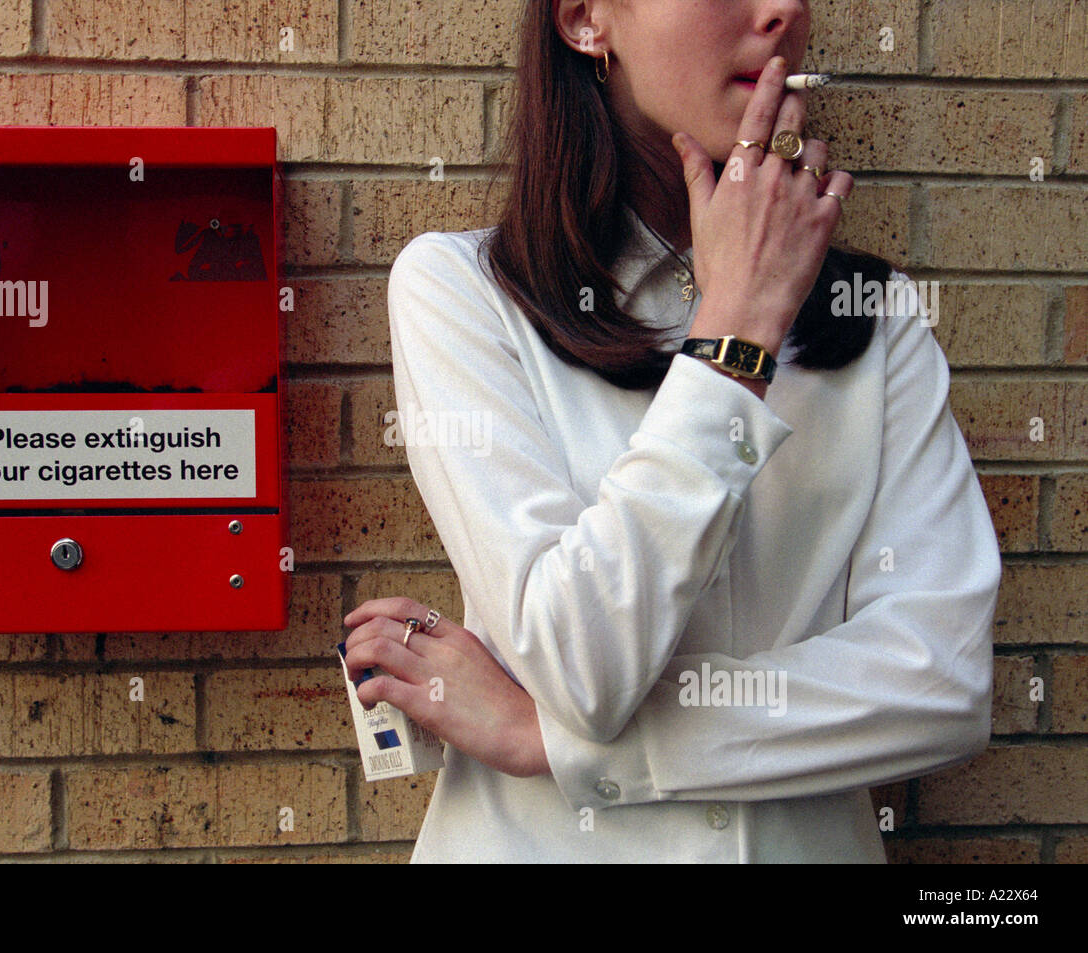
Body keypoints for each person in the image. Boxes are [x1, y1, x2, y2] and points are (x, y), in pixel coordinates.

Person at [341, 0, 1000, 862]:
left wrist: (556, 743)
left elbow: (942, 686)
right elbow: (582, 670)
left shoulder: (877, 321)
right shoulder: (459, 294)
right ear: (584, 19)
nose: (785, 11)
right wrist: (736, 335)